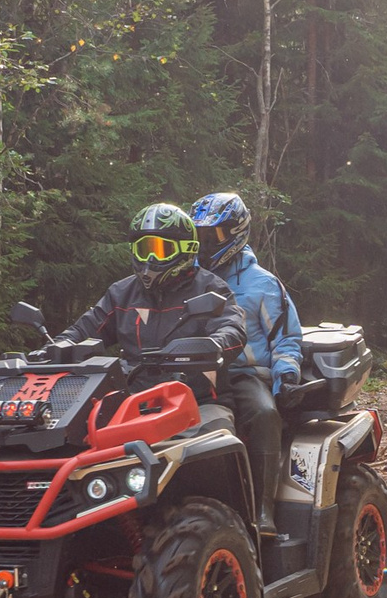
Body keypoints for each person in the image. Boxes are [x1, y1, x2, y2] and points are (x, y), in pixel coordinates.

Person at [190, 191, 305, 537]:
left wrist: (286, 376)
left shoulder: (263, 284)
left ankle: (262, 510)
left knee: (265, 414)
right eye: (201, 235)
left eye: (215, 235)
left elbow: (286, 337)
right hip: (193, 373)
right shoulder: (184, 280)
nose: (207, 243)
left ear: (237, 233)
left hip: (245, 375)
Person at [59, 204, 248, 393]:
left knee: (218, 424)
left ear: (187, 248)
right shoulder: (122, 293)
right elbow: (84, 330)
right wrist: (55, 348)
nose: (150, 258)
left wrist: (212, 345)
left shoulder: (210, 287)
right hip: (132, 401)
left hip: (199, 400)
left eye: (161, 249)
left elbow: (232, 328)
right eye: (144, 249)